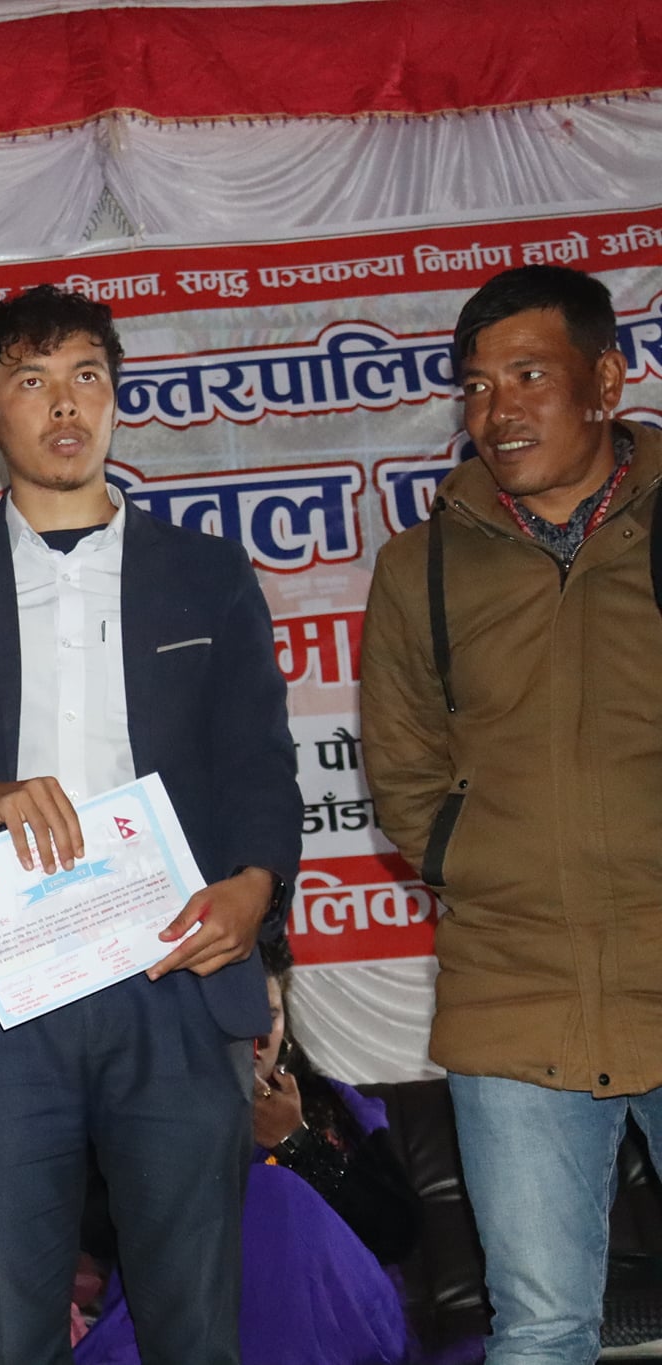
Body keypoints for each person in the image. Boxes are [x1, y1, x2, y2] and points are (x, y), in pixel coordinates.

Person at [0, 283, 302, 1365]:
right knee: (9, 1332)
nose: (65, 405)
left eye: (87, 377)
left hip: (174, 973)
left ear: (113, 398)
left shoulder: (203, 571)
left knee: (193, 1327)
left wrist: (253, 889)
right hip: (6, 993)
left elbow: (259, 766)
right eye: (31, 380)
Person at [361, 263, 662, 1365]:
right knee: (538, 1328)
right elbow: (403, 773)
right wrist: (469, 859)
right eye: (478, 386)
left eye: (528, 375)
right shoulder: (421, 567)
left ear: (605, 381)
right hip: (511, 981)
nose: (498, 409)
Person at [74, 937, 419, 1365]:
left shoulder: (332, 1106)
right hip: (187, 1311)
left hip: (335, 1318)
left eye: (270, 1015)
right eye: (237, 1016)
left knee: (273, 1190)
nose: (256, 1036)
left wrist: (296, 1144)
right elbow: (95, 1230)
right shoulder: (145, 1112)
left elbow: (400, 1232)